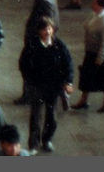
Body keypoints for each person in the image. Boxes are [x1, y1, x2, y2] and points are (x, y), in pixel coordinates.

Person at [18, 16, 73, 153]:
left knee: (51, 115)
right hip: (37, 86)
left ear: (53, 29)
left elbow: (68, 65)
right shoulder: (32, 45)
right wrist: (29, 80)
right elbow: (23, 64)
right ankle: (34, 144)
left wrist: (68, 82)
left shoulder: (60, 45)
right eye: (44, 29)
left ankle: (47, 139)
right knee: (35, 115)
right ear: (39, 31)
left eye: (49, 28)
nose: (47, 32)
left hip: (53, 87)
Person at [15, 0, 60, 104]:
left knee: (30, 66)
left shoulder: (44, 0)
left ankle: (29, 95)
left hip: (37, 37)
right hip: (39, 36)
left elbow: (48, 21)